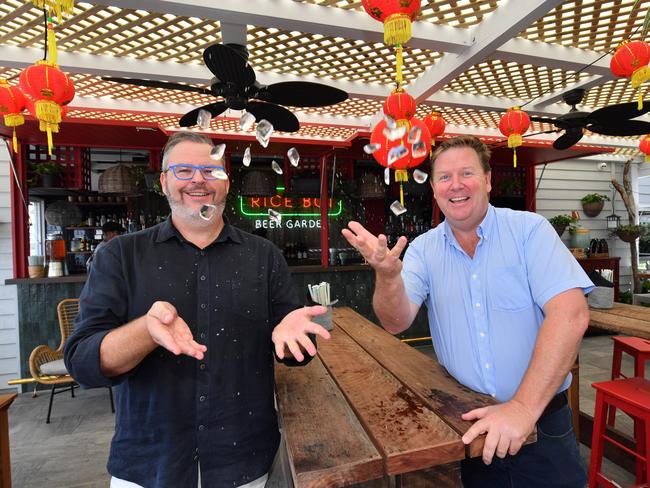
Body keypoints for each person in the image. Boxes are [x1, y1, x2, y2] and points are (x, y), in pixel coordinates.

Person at [64, 131, 330, 488]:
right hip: (149, 463)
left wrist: (294, 339)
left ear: (226, 183)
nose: (199, 181)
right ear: (164, 181)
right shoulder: (121, 256)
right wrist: (146, 330)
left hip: (244, 461)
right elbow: (83, 363)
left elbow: (294, 354)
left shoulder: (263, 256)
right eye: (184, 171)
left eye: (211, 171)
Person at [342, 135, 592, 488]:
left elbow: (572, 315)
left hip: (540, 421)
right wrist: (387, 277)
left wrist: (521, 408)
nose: (455, 185)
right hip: (472, 424)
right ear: (433, 188)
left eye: (466, 173)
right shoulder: (425, 249)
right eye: (444, 177)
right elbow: (395, 321)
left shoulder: (528, 231)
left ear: (488, 180)